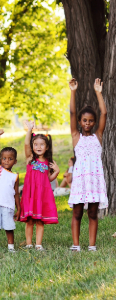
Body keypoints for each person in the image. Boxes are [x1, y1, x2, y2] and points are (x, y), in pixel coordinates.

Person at [68, 78, 108, 252]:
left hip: (94, 181)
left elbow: (104, 113)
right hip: (79, 182)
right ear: (80, 121)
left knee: (92, 213)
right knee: (77, 213)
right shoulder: (76, 137)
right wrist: (73, 91)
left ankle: (92, 245)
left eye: (91, 120)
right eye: (84, 120)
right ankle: (76, 245)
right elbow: (71, 112)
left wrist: (98, 92)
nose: (88, 123)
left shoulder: (97, 136)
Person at [20, 120, 59, 251]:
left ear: (47, 147)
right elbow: (26, 143)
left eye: (42, 144)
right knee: (30, 220)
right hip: (30, 194)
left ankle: (38, 244)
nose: (38, 147)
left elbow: (48, 180)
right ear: (32, 146)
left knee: (40, 220)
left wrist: (57, 172)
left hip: (41, 195)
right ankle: (29, 243)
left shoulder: (48, 162)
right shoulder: (30, 158)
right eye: (35, 144)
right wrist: (29, 129)